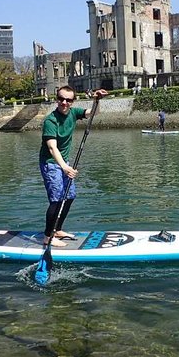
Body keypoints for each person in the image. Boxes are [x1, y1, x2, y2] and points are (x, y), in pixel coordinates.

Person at [39, 86, 108, 247]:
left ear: (72, 101)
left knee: (69, 197)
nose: (64, 103)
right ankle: (48, 236)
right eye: (61, 99)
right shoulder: (51, 120)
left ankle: (58, 229)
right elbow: (52, 148)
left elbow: (94, 113)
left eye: (68, 100)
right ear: (57, 99)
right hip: (51, 164)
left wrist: (96, 100)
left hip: (64, 163)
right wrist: (64, 167)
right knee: (56, 200)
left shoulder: (73, 112)